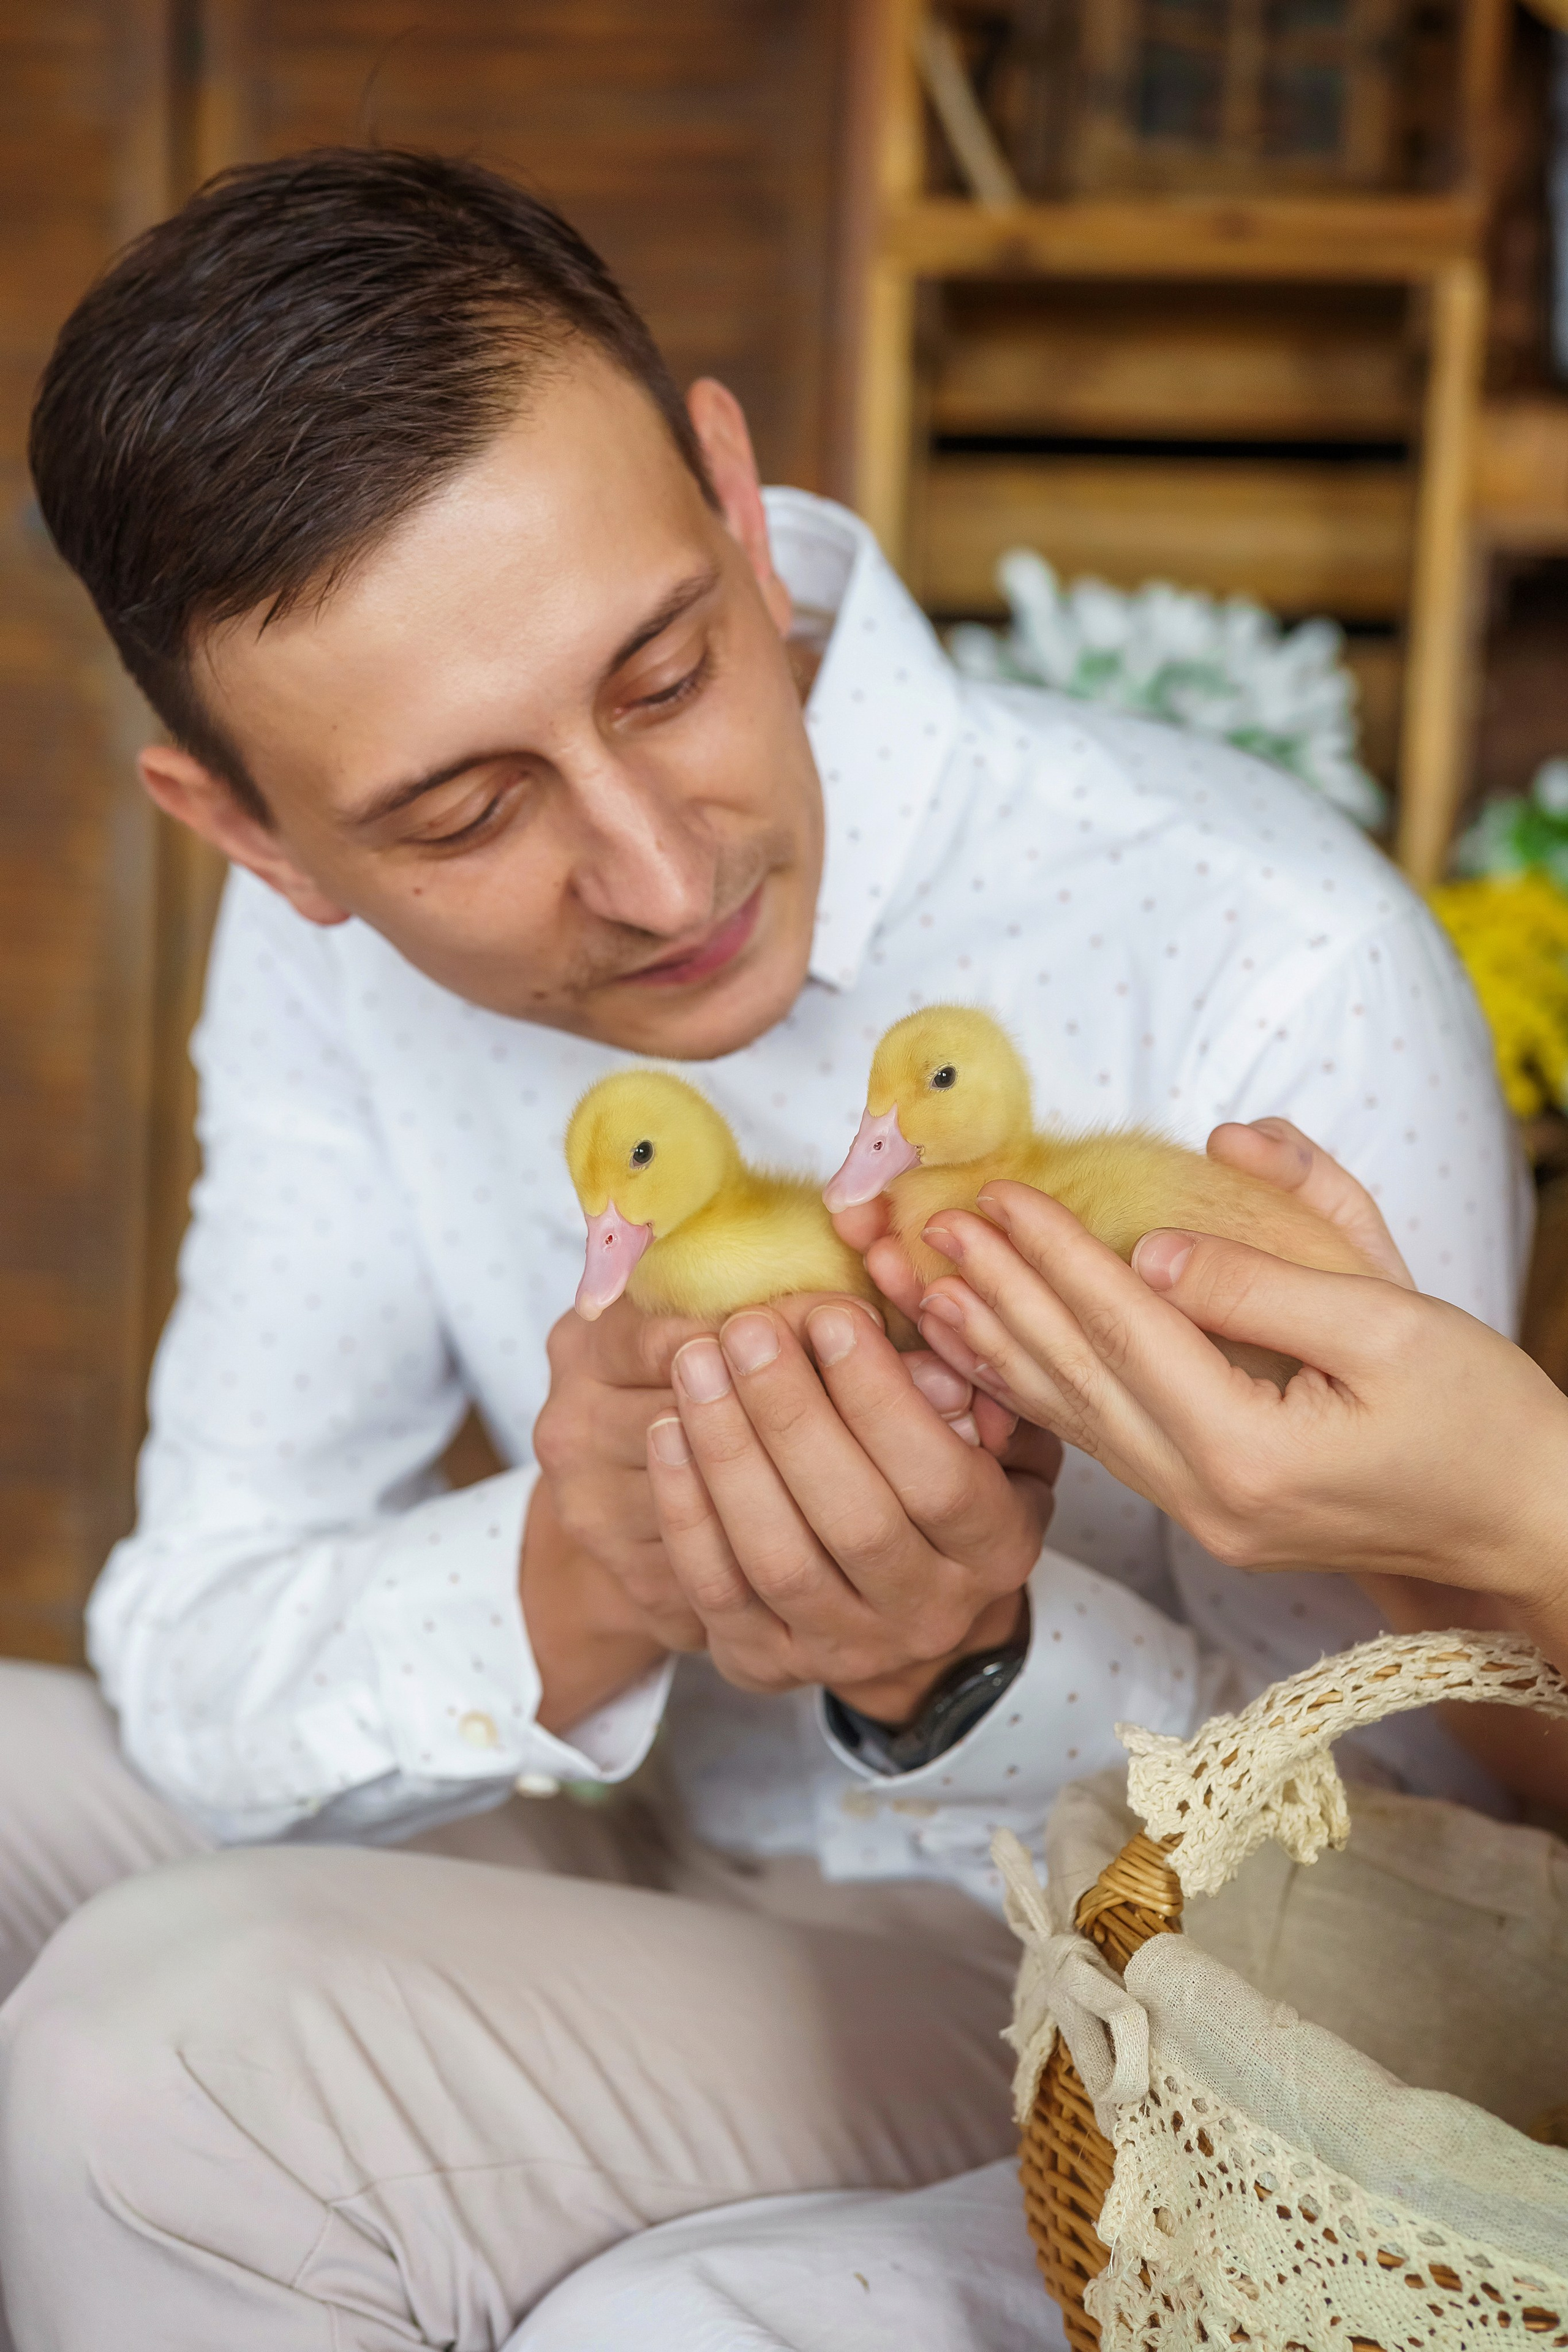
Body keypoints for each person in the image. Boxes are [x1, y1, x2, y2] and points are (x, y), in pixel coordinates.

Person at [0, 143, 1527, 2350]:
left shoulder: (1268, 955)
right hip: (614, 1835)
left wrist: (965, 1661)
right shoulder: (324, 956)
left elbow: (1411, 1856)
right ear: (255, 835)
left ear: (730, 491)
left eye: (667, 673)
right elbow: (195, 1622)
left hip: (1074, 1951)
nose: (654, 875)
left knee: (157, 2058)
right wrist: (586, 1569)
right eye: (464, 814)